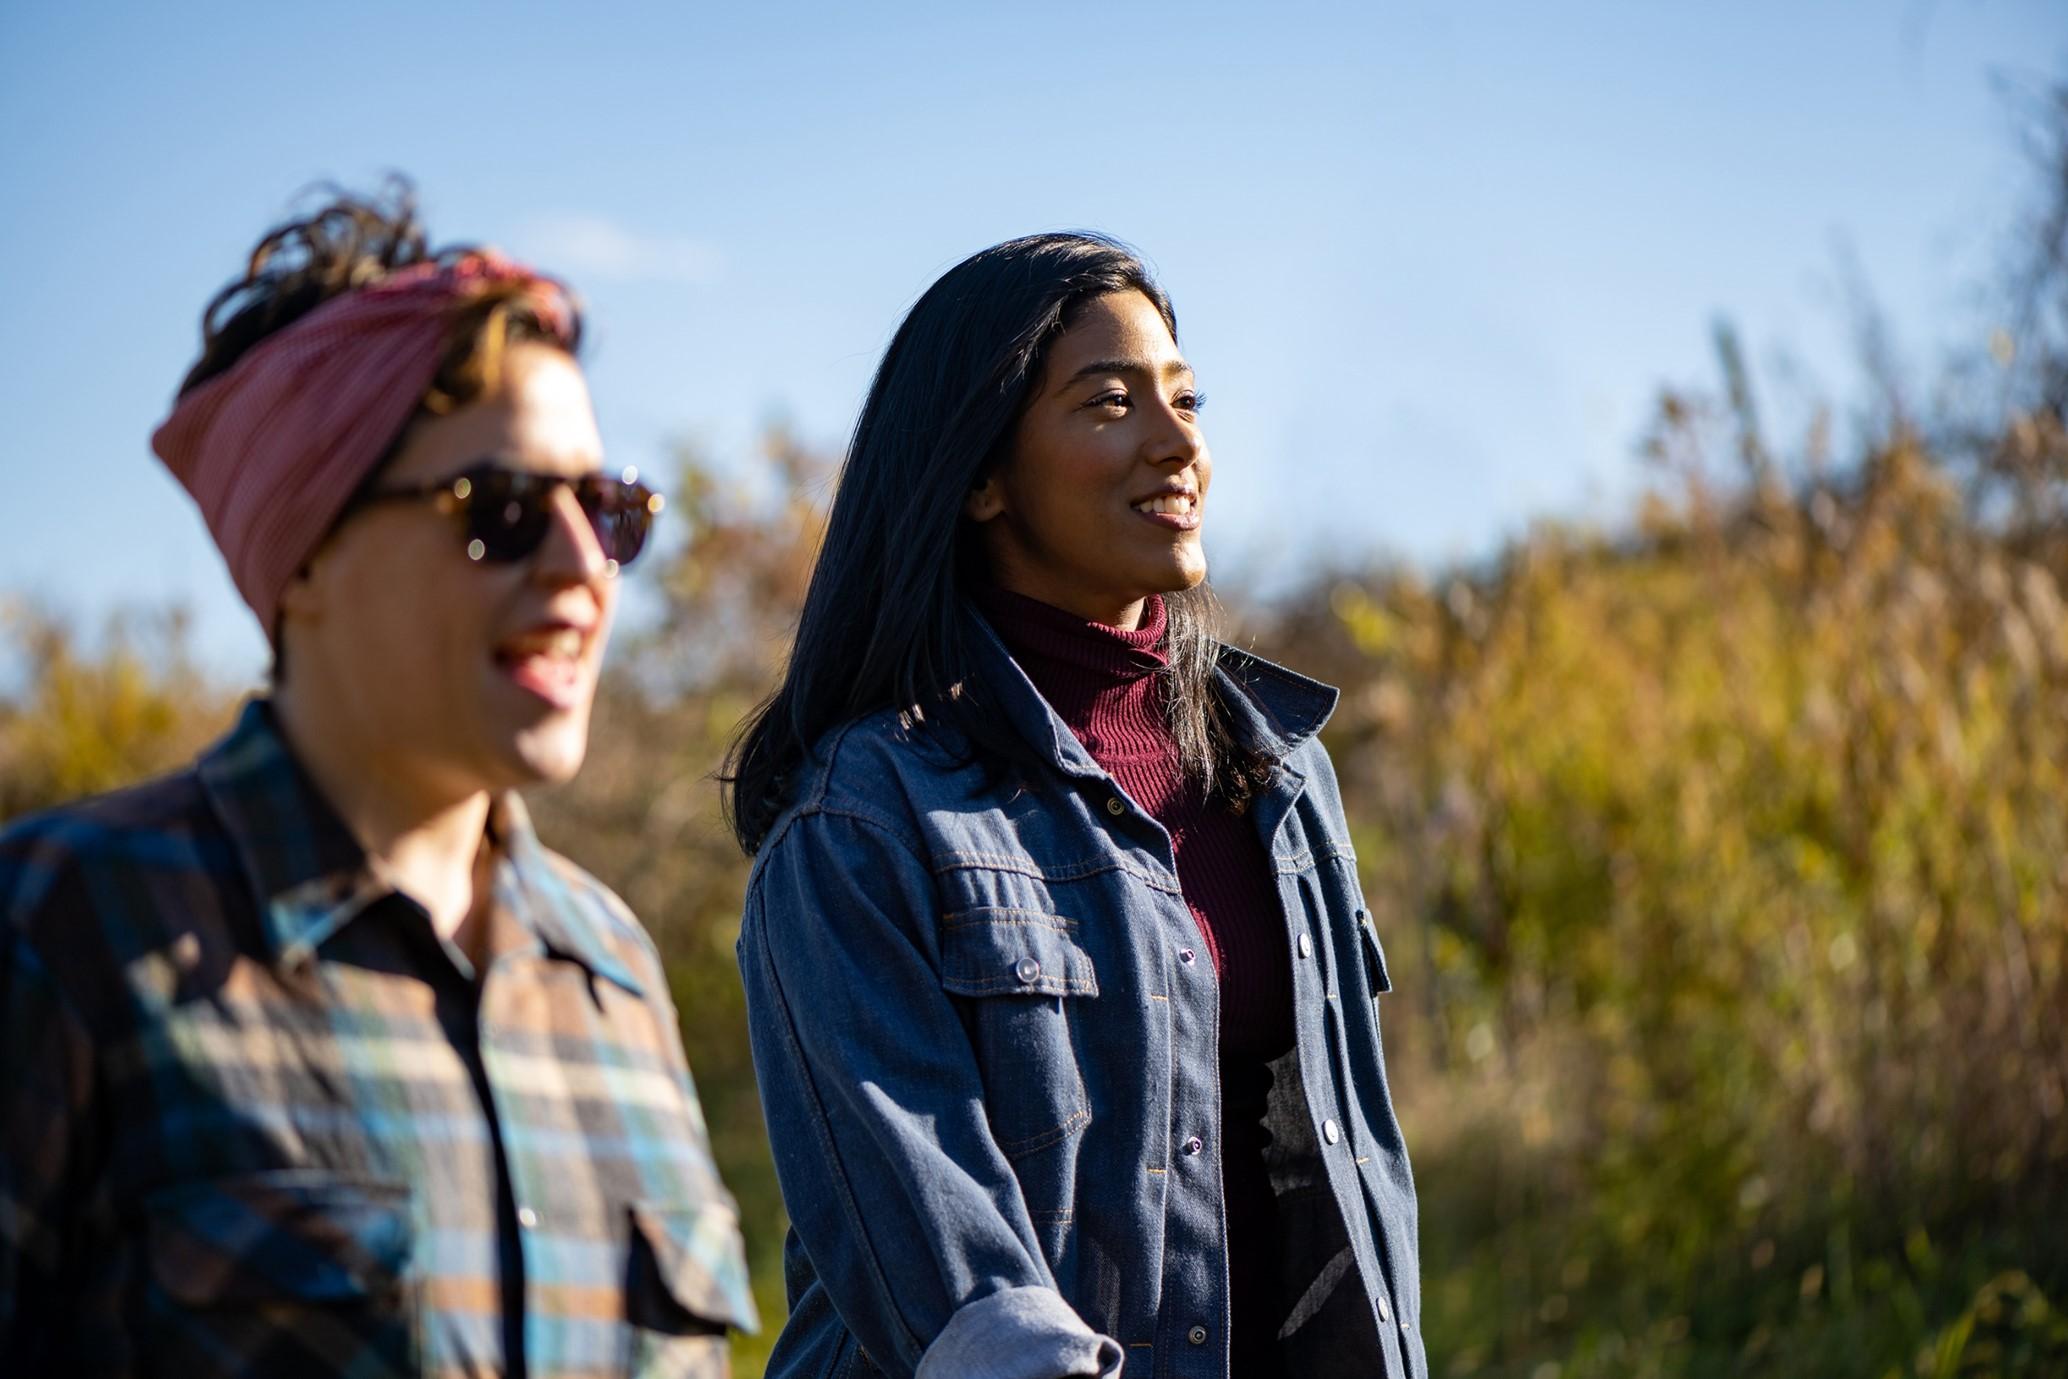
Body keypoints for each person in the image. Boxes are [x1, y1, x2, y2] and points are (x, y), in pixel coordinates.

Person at [0, 185, 756, 1376]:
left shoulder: (615, 974)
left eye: (608, 509)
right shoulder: (67, 921)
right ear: (306, 559)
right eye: (499, 511)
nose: (582, 566)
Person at [725, 233, 1423, 1379]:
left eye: (1185, 397)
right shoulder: (862, 819)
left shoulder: (1283, 776)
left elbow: (1344, 1201)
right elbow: (951, 1281)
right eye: (1108, 402)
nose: (1177, 438)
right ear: (980, 475)